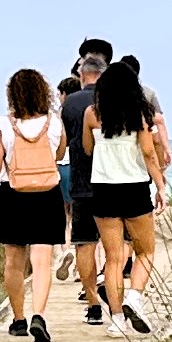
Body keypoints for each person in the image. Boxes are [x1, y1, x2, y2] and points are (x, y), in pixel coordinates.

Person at [0, 65, 68, 342]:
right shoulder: (54, 122)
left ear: (12, 95)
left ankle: (18, 319)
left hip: (12, 195)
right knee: (42, 261)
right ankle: (39, 315)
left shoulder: (3, 125)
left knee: (13, 261)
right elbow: (60, 152)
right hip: (47, 194)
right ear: (43, 92)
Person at [85, 53, 171, 333]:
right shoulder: (140, 115)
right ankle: (135, 296)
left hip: (103, 190)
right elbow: (148, 152)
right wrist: (160, 186)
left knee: (112, 258)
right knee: (145, 251)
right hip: (134, 188)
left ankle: (118, 321)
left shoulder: (93, 114)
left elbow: (87, 149)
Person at [59, 40, 112, 321]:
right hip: (112, 182)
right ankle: (115, 298)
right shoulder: (113, 101)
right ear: (103, 75)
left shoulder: (70, 105)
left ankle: (92, 304)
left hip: (81, 183)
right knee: (114, 245)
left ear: (82, 75)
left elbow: (61, 145)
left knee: (84, 244)